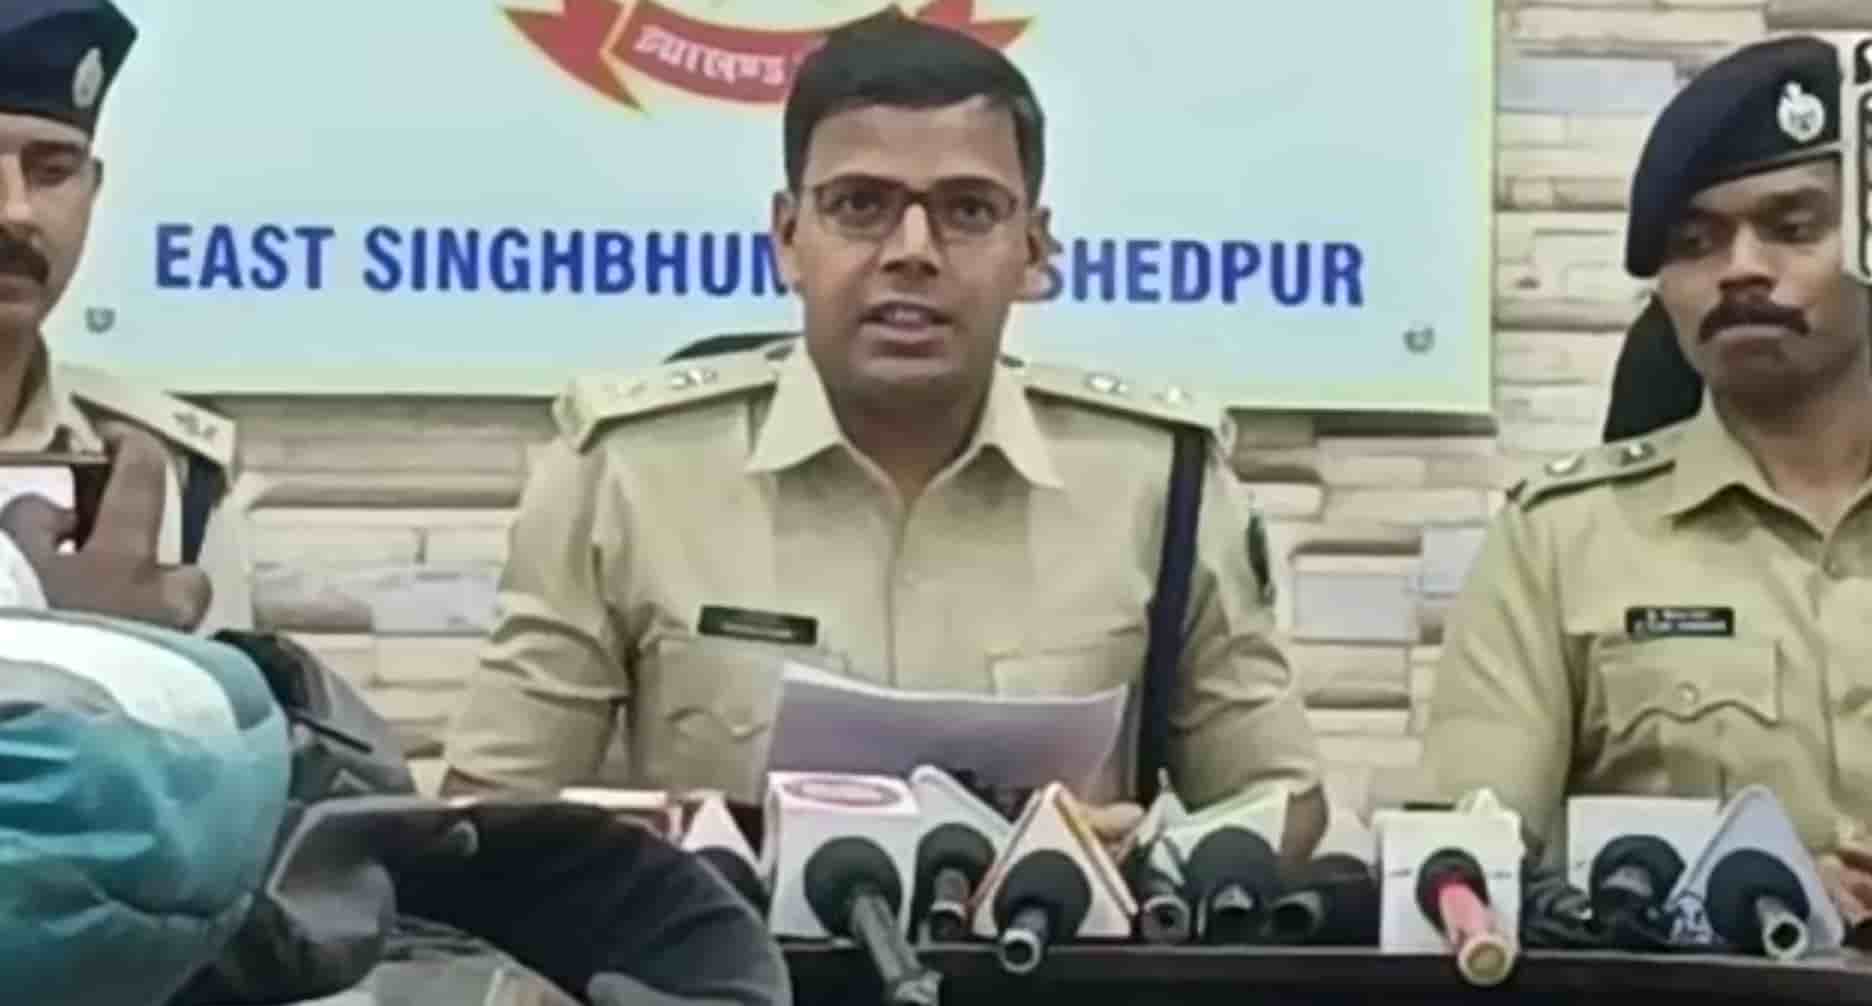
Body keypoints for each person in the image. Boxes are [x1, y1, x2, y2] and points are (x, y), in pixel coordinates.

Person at [442, 10, 1326, 862]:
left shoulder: (1159, 480)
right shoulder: (630, 473)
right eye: (860, 205)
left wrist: (1143, 860)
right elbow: (486, 814)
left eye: (968, 210)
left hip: (1050, 946)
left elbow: (1282, 804)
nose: (913, 250)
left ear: (1034, 250)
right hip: (728, 949)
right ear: (789, 238)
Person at [1423, 35, 1872, 925]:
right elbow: (1465, 867)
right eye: (1694, 243)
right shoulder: (1561, 540)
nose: (1741, 268)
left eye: (1792, 229)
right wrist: (1729, 894)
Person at [0, 0, 249, 634]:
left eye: (52, 172)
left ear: (94, 190)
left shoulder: (171, 473)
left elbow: (217, 698)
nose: (17, 211)